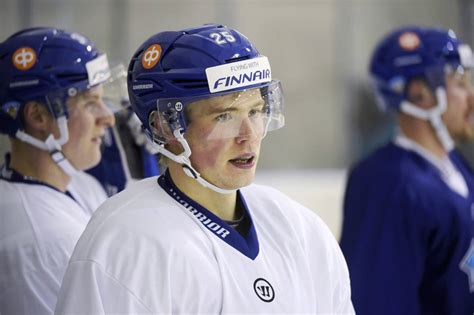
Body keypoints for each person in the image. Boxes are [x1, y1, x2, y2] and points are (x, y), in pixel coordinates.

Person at [55, 24, 355, 314]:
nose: (249, 134)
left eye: (255, 111)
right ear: (165, 126)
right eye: (224, 116)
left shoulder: (299, 228)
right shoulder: (127, 241)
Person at [340, 26, 474, 314]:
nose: (471, 97)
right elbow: (376, 302)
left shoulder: (455, 167)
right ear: (420, 94)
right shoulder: (386, 184)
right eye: (460, 84)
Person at [0, 27, 123, 314]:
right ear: (38, 116)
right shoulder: (42, 242)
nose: (108, 118)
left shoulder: (80, 184)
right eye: (90, 103)